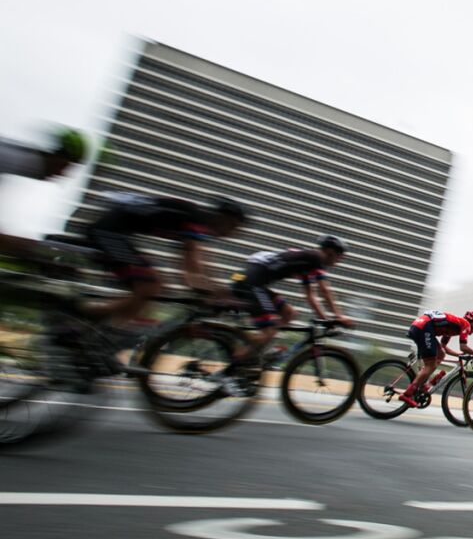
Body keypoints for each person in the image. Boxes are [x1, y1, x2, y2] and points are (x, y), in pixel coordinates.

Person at [81, 192, 247, 326]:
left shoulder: (196, 223)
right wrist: (213, 293)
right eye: (233, 227)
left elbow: (202, 265)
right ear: (221, 218)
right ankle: (88, 317)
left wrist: (219, 291)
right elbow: (191, 270)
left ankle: (105, 327)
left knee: (155, 286)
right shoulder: (195, 221)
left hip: (114, 232)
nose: (232, 233)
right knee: (149, 286)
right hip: (107, 233)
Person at [228, 235, 355, 371]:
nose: (341, 259)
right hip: (250, 285)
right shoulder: (316, 258)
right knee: (269, 330)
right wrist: (339, 316)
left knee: (289, 313)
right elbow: (324, 291)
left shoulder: (307, 261)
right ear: (330, 251)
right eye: (340, 255)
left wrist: (325, 319)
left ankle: (256, 350)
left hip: (249, 282)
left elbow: (310, 295)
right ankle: (233, 368)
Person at [0, 127, 88, 260]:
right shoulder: (7, 158)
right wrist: (35, 252)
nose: (63, 174)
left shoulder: (13, 158)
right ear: (54, 155)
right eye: (66, 166)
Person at [403, 309, 473, 407]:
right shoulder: (466, 325)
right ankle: (408, 394)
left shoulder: (454, 326)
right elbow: (463, 347)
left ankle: (423, 384)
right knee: (430, 365)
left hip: (419, 325)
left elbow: (443, 347)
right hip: (424, 327)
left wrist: (459, 355)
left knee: (441, 354)